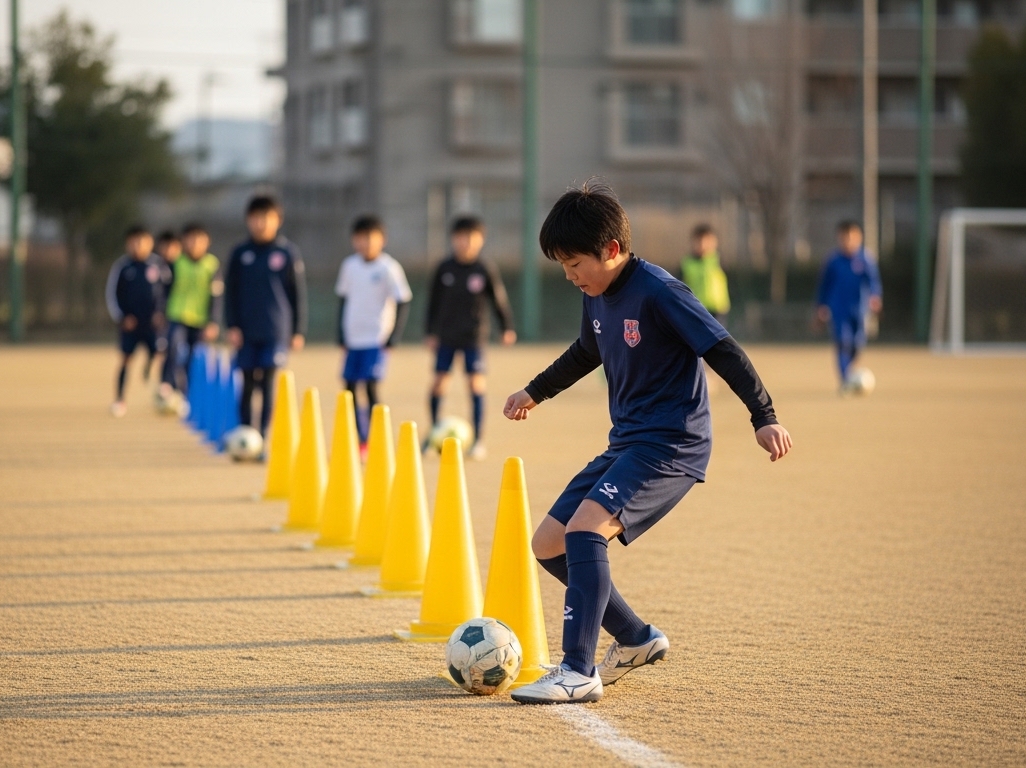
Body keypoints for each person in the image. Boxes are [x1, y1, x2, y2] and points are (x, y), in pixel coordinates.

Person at [501, 181, 793, 704]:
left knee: (586, 531)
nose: (569, 276)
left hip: (672, 445)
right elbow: (585, 352)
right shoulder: (596, 295)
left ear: (611, 249)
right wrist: (534, 391)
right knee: (548, 543)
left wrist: (763, 416)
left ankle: (577, 671)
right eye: (563, 266)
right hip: (627, 442)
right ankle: (635, 637)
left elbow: (723, 349)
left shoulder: (660, 292)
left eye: (574, 263)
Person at [425, 215, 516, 460]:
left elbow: (498, 299)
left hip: (473, 337)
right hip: (446, 336)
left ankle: (477, 440)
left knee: (475, 384)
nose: (465, 242)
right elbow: (433, 302)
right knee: (438, 383)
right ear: (453, 239)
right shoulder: (444, 268)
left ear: (480, 240)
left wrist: (506, 327)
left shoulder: (484, 269)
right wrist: (430, 332)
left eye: (471, 238)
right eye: (460, 237)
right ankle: (433, 434)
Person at [225, 195, 306, 435]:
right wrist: (232, 325)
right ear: (248, 220)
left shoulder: (287, 252)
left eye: (266, 218)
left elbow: (297, 294)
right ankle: (245, 432)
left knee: (269, 380)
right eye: (256, 218)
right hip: (246, 329)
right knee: (248, 381)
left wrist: (298, 330)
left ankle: (262, 435)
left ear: (277, 220)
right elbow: (230, 292)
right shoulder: (240, 253)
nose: (261, 223)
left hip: (276, 330)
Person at [335, 215, 413, 445]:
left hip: (375, 338)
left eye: (371, 238)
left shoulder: (389, 267)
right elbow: (343, 299)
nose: (366, 243)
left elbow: (403, 300)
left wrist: (394, 336)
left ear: (382, 240)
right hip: (353, 338)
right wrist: (341, 333)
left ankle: (376, 438)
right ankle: (357, 437)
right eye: (361, 238)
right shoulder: (349, 266)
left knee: (370, 387)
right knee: (349, 389)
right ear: (353, 240)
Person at [814, 220, 882, 392]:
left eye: (852, 238)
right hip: (838, 310)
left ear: (859, 238)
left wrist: (875, 297)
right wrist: (821, 305)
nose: (848, 242)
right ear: (839, 238)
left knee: (857, 344)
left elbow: (873, 282)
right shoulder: (833, 261)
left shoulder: (866, 259)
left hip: (860, 310)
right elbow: (824, 286)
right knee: (843, 342)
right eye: (844, 238)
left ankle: (849, 373)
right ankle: (845, 380)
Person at [104, 225, 163, 418]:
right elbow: (112, 294)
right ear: (127, 244)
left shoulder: (158, 265)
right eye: (133, 242)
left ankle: (162, 390)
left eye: (142, 242)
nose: (138, 246)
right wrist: (122, 317)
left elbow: (167, 293)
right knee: (125, 360)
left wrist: (161, 314)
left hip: (152, 324)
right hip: (130, 324)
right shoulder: (122, 267)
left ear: (150, 243)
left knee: (160, 354)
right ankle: (119, 400)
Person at [164, 223, 223, 403]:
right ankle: (168, 385)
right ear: (183, 241)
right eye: (191, 239)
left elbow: (216, 296)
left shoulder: (212, 265)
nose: (195, 244)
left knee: (193, 359)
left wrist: (213, 322)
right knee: (173, 348)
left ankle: (188, 393)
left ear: (207, 242)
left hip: (200, 320)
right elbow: (163, 291)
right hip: (177, 315)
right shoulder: (175, 263)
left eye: (199, 240)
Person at [678, 223, 730, 325]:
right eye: (700, 242)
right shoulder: (687, 263)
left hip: (718, 309)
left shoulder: (718, 260)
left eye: (707, 242)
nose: (703, 245)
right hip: (696, 308)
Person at [149, 230, 179, 399]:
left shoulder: (181, 266)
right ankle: (166, 384)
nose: (168, 251)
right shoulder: (154, 267)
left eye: (172, 247)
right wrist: (157, 311)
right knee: (162, 349)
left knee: (174, 350)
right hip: (159, 318)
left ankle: (171, 385)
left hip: (178, 316)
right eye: (165, 247)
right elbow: (155, 294)